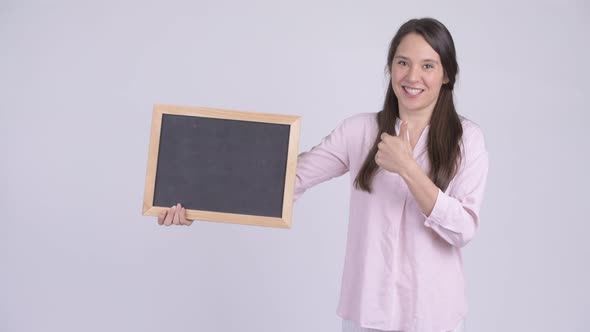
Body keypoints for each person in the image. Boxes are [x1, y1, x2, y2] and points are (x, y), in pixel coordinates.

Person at [158, 17, 488, 332]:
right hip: (367, 314)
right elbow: (288, 182)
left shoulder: (467, 139)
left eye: (427, 65)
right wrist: (197, 200)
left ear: (446, 74)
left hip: (434, 317)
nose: (412, 76)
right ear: (390, 68)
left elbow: (462, 229)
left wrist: (407, 168)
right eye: (403, 62)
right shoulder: (359, 131)